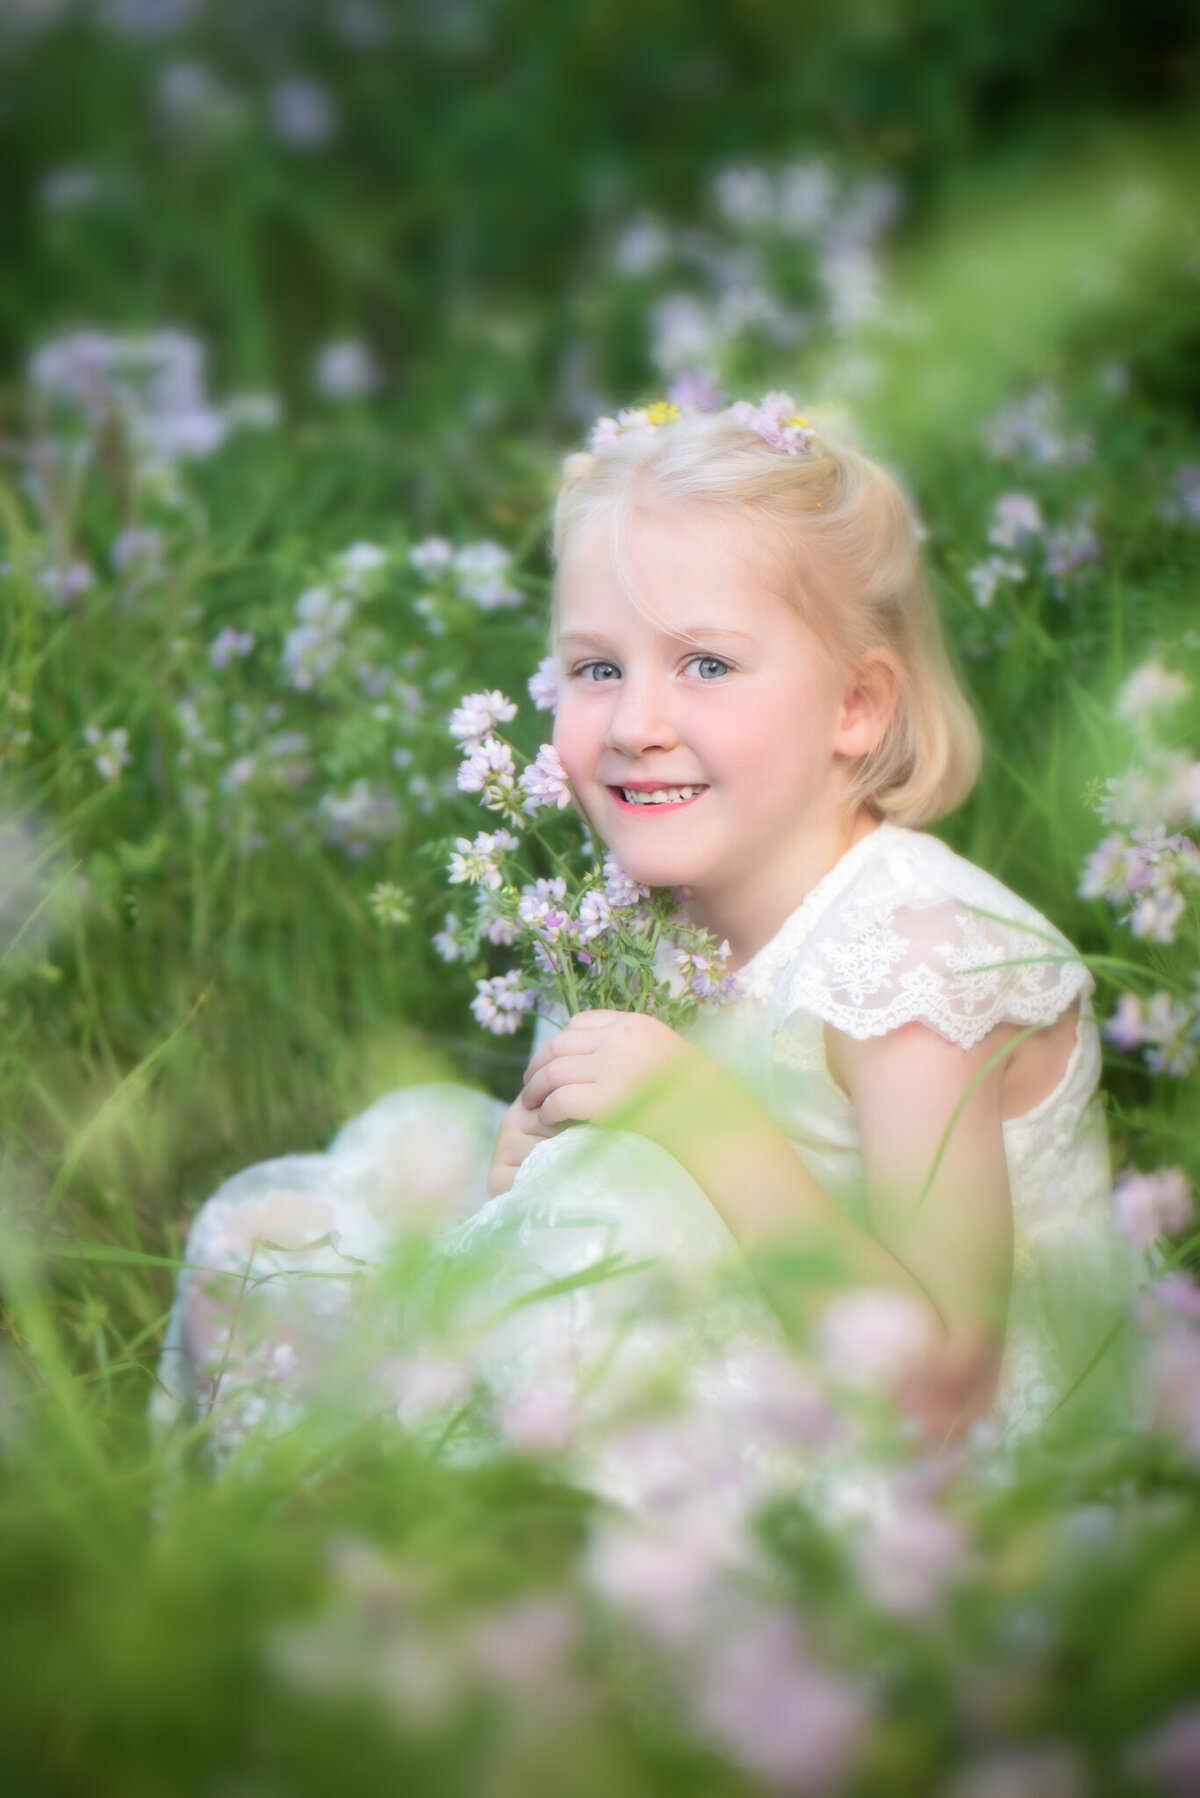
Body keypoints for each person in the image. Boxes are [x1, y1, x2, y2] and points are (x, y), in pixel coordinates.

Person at [156, 397, 1131, 1478]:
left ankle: (483, 1567)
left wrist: (698, 1123)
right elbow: (570, 1197)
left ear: (856, 706)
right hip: (704, 1318)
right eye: (596, 668)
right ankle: (337, 1551)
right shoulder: (638, 917)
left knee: (566, 1315)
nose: (633, 725)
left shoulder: (916, 961)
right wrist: (525, 1172)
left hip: (896, 1443)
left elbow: (946, 1381)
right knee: (265, 1253)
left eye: (705, 664)